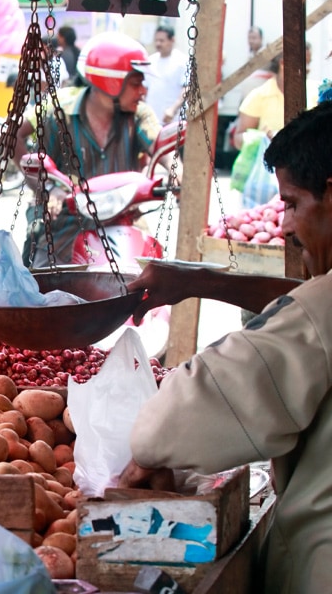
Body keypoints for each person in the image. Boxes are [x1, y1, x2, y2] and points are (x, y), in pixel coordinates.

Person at [118, 100, 332, 594]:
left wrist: (148, 449)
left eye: (294, 203)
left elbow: (167, 425)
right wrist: (200, 280)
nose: (284, 227)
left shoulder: (320, 315)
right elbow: (306, 305)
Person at [12, 32, 164, 268]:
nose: (142, 91)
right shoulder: (58, 111)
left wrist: (180, 173)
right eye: (136, 84)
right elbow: (12, 136)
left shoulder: (139, 115)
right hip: (64, 227)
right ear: (111, 83)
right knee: (39, 290)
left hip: (123, 224)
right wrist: (47, 188)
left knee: (152, 281)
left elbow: (161, 145)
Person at [145, 24, 188, 124]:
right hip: (151, 121)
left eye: (162, 40)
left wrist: (173, 109)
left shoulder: (182, 61)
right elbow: (145, 88)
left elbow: (186, 88)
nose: (158, 44)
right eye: (156, 40)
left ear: (172, 40)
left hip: (173, 120)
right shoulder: (150, 61)